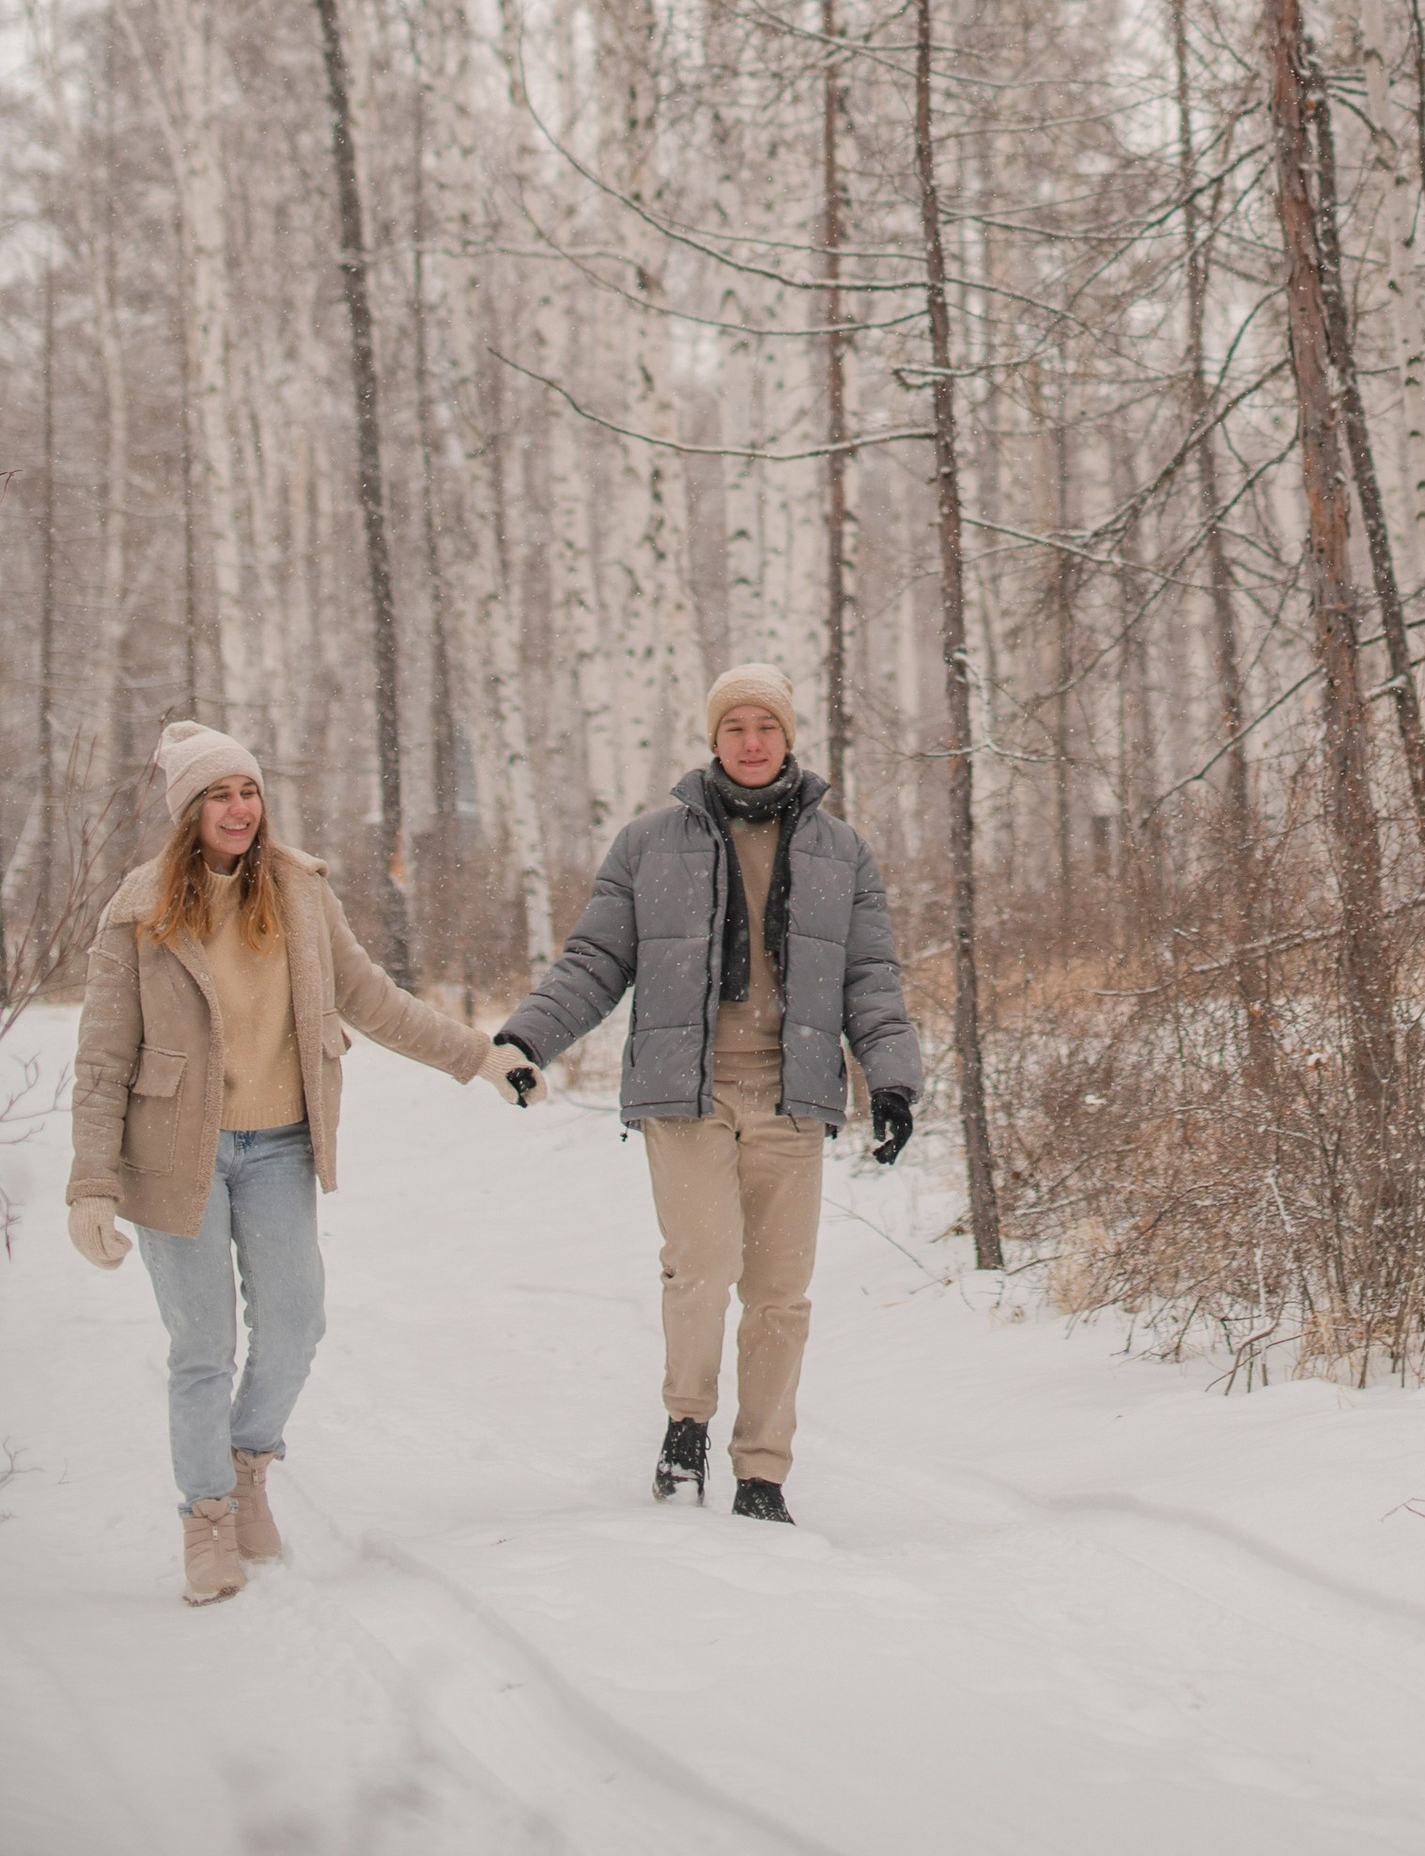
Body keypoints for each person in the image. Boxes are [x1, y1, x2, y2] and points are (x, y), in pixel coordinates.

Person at [67, 720, 541, 1607]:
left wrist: (479, 1056)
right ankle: (206, 1519)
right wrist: (90, 1184)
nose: (239, 809)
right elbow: (100, 1061)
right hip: (176, 1153)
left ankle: (248, 1468)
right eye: (219, 795)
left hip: (280, 1140)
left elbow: (375, 1001)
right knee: (202, 1344)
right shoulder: (137, 910)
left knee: (295, 1324)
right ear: (188, 812)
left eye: (248, 791)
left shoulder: (298, 891)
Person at [493, 661, 922, 1526]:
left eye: (766, 727)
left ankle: (762, 1472)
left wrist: (894, 1081)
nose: (752, 743)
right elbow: (596, 961)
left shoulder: (840, 851)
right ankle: (685, 1427)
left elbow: (870, 977)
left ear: (788, 736)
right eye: (736, 729)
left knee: (780, 1292)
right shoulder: (653, 844)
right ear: (713, 739)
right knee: (705, 1267)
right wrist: (527, 1036)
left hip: (792, 1096)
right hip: (684, 1092)